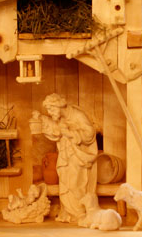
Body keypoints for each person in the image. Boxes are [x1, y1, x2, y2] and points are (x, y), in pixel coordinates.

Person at [32, 93, 98, 223]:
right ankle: (68, 212)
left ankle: (79, 212)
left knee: (75, 183)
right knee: (65, 182)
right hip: (65, 155)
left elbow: (89, 133)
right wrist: (41, 118)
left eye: (51, 109)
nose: (50, 113)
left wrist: (70, 133)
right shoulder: (60, 117)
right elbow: (56, 130)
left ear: (59, 106)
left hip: (78, 156)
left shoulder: (77, 115)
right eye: (48, 110)